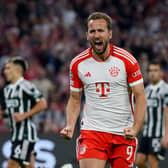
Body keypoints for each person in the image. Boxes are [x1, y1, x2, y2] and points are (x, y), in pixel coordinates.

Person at [60, 12, 146, 168]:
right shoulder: (78, 64)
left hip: (123, 133)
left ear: (110, 34)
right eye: (92, 31)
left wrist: (135, 128)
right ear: (87, 35)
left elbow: (140, 97)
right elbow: (74, 98)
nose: (96, 35)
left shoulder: (126, 60)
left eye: (101, 31)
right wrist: (70, 125)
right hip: (93, 132)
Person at [0, 57, 47, 168]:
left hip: (25, 134)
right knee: (28, 166)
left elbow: (42, 103)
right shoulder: (7, 90)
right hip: (15, 135)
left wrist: (24, 115)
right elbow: (9, 111)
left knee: (12, 165)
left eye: (8, 68)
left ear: (18, 70)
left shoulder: (25, 85)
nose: (5, 71)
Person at [136, 61, 168, 168]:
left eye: (155, 70)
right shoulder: (146, 90)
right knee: (139, 161)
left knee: (152, 161)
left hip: (158, 133)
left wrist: (166, 135)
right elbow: (142, 112)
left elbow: (167, 113)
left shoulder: (165, 89)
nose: (152, 73)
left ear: (161, 73)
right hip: (146, 132)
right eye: (150, 70)